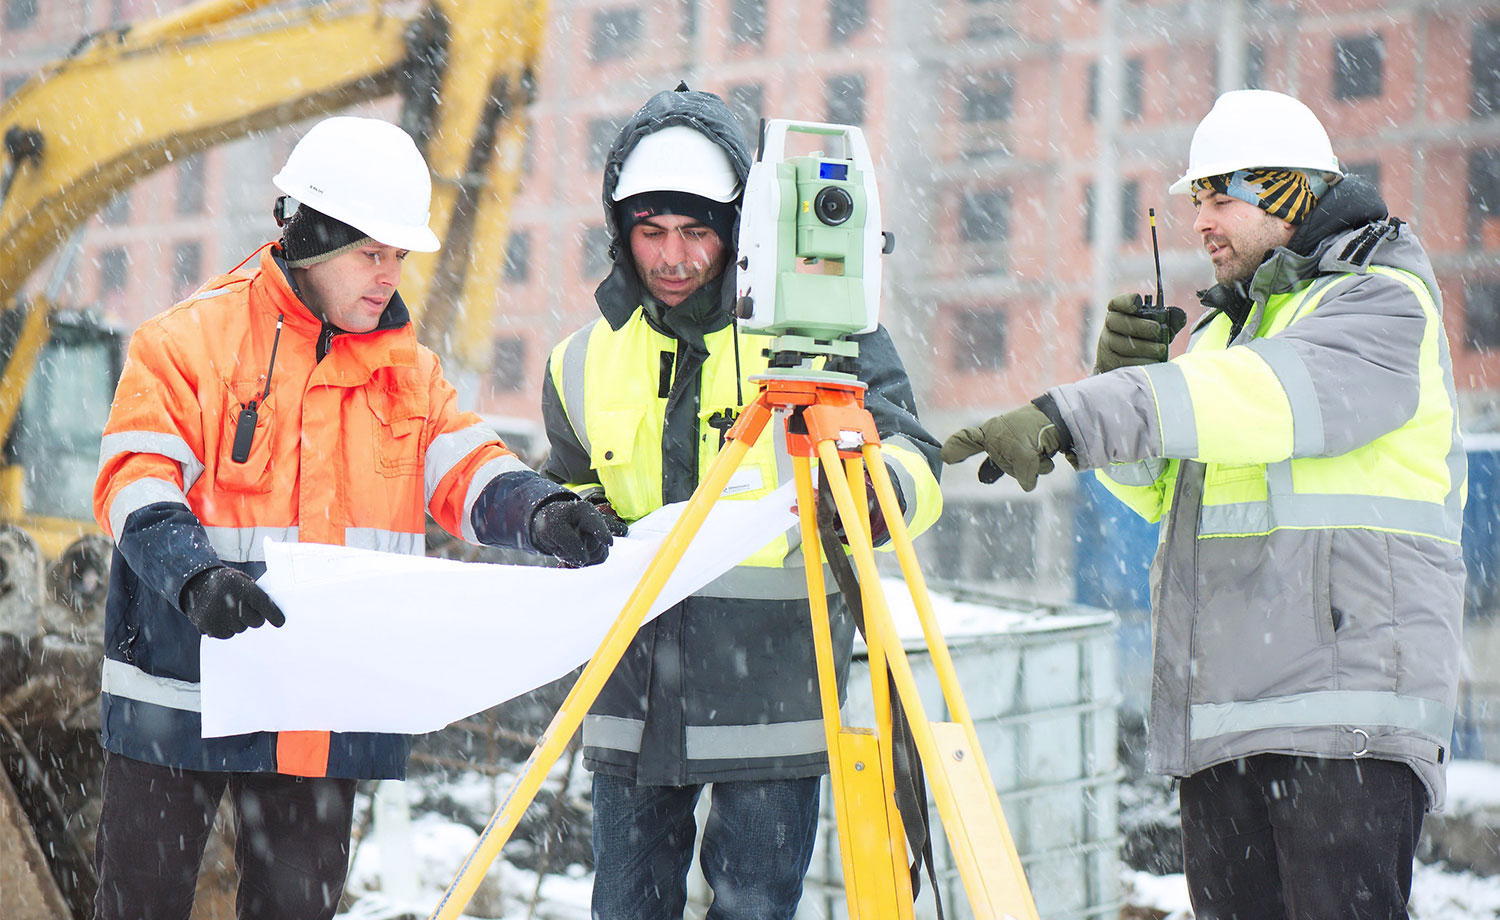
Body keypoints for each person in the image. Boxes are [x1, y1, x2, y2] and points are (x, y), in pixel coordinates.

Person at [943, 89, 1464, 919]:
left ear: (1289, 191)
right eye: (1197, 199)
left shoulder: (1378, 301)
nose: (1201, 221)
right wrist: (1111, 388)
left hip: (1344, 725)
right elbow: (1163, 493)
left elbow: (1264, 400)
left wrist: (1081, 409)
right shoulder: (1230, 331)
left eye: (1221, 195)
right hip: (1229, 725)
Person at [90, 115, 615, 920]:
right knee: (140, 906)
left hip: (317, 698)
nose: (389, 276)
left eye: (398, 257)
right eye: (373, 253)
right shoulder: (185, 343)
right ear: (310, 239)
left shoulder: (407, 372)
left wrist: (541, 512)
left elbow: (469, 468)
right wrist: (195, 577)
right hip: (180, 684)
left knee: (297, 909)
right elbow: (136, 480)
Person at [537, 85, 944, 920]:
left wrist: (875, 496)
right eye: (652, 232)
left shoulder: (824, 333)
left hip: (776, 688)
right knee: (623, 908)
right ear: (621, 233)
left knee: (755, 907)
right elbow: (573, 479)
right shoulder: (579, 360)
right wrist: (563, 518)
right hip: (631, 691)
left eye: (696, 231)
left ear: (739, 227)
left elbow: (916, 458)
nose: (674, 257)